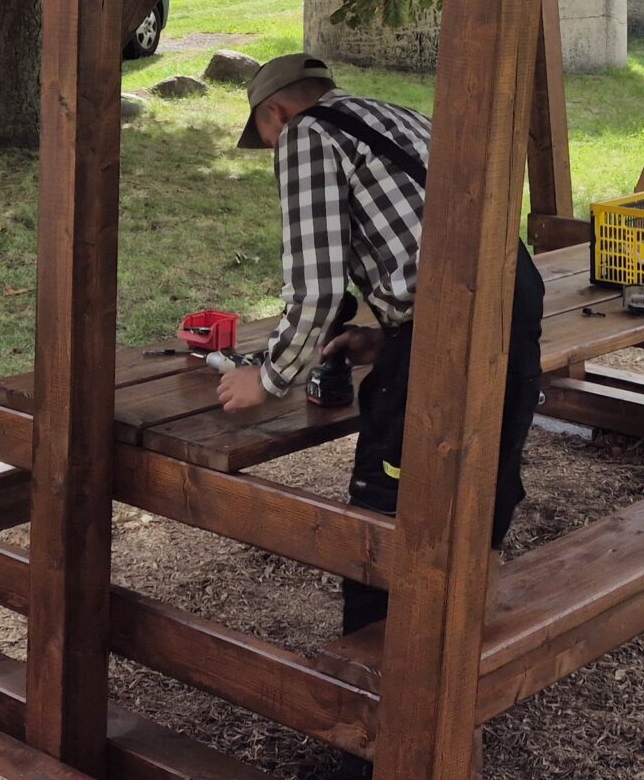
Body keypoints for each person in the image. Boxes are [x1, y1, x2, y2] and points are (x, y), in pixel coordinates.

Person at [225, 52, 545, 636]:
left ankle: (377, 666)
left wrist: (267, 378)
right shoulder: (395, 116)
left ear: (275, 112)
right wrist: (390, 334)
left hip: (451, 328)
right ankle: (465, 635)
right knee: (485, 480)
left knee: (387, 505)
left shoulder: (305, 135)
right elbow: (430, 236)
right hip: (513, 298)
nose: (272, 147)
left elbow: (317, 288)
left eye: (265, 136)